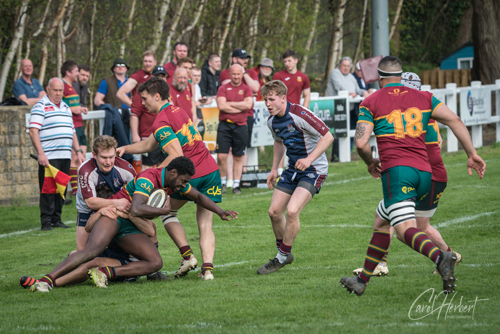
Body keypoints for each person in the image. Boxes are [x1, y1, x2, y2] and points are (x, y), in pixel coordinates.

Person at [340, 56, 486, 296]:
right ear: (401, 75)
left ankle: (442, 257)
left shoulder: (371, 101)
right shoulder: (426, 97)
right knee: (381, 219)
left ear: (379, 77)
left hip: (398, 173)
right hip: (425, 174)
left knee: (404, 229)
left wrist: (370, 162)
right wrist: (471, 154)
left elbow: (361, 143)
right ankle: (362, 280)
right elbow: (455, 121)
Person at [28, 156, 238, 292]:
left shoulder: (173, 182)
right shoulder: (149, 178)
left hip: (130, 225)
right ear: (173, 173)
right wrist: (165, 210)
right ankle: (46, 280)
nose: (184, 185)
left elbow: (199, 196)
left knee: (155, 262)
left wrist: (220, 211)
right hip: (114, 216)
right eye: (183, 180)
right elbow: (136, 208)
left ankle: (106, 273)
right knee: (92, 251)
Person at [117, 77, 229, 280]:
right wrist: (126, 148)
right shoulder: (178, 110)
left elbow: (176, 155)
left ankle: (187, 256)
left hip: (189, 174)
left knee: (167, 212)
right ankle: (208, 271)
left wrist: (154, 176)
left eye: (144, 98)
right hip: (210, 171)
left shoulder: (160, 122)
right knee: (205, 224)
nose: (142, 103)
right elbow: (151, 144)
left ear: (157, 96)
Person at [352, 72, 461, 277]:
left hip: (419, 173)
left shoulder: (420, 116)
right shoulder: (425, 112)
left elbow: (427, 144)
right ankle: (374, 268)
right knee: (385, 216)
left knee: (413, 228)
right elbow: (439, 142)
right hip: (423, 172)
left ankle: (445, 257)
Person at [257, 80, 333, 275]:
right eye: (266, 100)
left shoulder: (300, 114)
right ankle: (285, 252)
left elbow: (328, 136)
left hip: (314, 169)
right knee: (274, 212)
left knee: (292, 211)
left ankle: (281, 257)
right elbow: (278, 142)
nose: (268, 104)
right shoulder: (272, 120)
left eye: (272, 99)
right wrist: (274, 169)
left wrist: (309, 159)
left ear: (283, 98)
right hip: (292, 169)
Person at [28, 78, 85, 231]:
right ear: (48, 89)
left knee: (61, 187)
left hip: (65, 155)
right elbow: (33, 131)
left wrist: (78, 151)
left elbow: (72, 131)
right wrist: (41, 153)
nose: (58, 93)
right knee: (48, 189)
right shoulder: (40, 106)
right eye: (55, 90)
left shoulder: (66, 107)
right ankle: (46, 221)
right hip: (49, 155)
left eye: (61, 90)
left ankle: (57, 219)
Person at [75, 135, 137, 251]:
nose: (108, 162)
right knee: (82, 253)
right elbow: (90, 203)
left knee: (119, 248)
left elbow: (138, 191)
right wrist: (118, 203)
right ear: (94, 155)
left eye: (111, 157)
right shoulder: (85, 170)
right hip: (87, 211)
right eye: (104, 157)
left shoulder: (126, 168)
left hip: (115, 207)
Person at [216, 64, 254, 195]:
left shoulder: (247, 89)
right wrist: (240, 107)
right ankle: (223, 183)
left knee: (238, 156)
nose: (236, 76)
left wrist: (229, 104)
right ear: (230, 74)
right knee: (221, 156)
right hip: (224, 125)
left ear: (242, 74)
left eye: (239, 74)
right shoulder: (223, 88)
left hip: (241, 125)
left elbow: (248, 105)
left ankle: (236, 185)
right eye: (234, 74)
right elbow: (221, 106)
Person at [325, 56, 370, 162]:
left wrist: (363, 92)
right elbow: (339, 87)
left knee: (349, 133)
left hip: (348, 109)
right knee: (338, 134)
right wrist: (350, 93)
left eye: (348, 66)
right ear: (339, 65)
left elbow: (358, 89)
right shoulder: (335, 73)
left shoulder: (351, 76)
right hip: (335, 109)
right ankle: (336, 158)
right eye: (344, 65)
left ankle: (344, 156)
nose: (346, 68)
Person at [129, 65, 168, 170]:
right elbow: (134, 115)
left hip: (166, 135)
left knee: (166, 167)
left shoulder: (167, 93)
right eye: (157, 76)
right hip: (149, 136)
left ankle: (162, 186)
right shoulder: (143, 93)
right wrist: (135, 135)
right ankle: (146, 186)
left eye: (162, 76)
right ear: (151, 77)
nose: (160, 79)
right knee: (147, 167)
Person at [61, 60, 88, 196]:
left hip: (79, 125)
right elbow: (59, 106)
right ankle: (76, 191)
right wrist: (74, 109)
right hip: (71, 126)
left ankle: (80, 190)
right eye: (76, 71)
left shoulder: (72, 86)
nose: (78, 73)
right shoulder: (62, 86)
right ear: (68, 72)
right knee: (74, 157)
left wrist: (79, 109)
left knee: (81, 156)